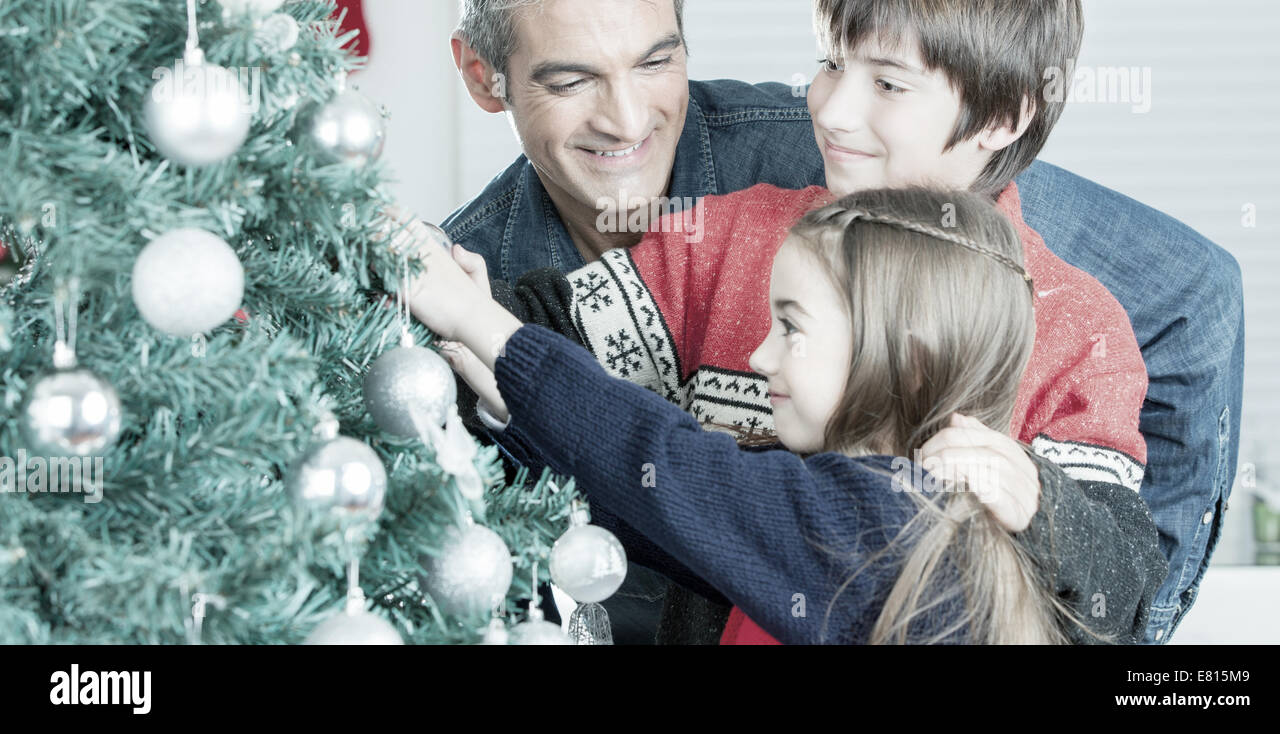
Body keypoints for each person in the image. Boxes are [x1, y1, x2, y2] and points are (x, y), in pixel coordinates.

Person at [438, 0, 1244, 644]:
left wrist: (1036, 496)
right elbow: (554, 327)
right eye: (829, 64)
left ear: (1004, 117)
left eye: (887, 84)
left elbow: (1122, 582)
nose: (828, 110)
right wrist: (466, 303)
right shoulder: (733, 230)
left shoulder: (1075, 323)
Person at [400, 187, 1167, 643]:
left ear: (907, 358)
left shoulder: (891, 525)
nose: (760, 357)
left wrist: (486, 325)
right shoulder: (854, 501)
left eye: (792, 328)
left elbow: (671, 466)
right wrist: (497, 383)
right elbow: (657, 511)